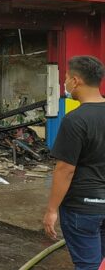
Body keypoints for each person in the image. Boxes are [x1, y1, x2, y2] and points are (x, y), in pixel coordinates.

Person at [44, 55, 105, 270]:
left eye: (67, 78)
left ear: (76, 81)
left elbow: (65, 170)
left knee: (89, 266)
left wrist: (51, 210)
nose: (65, 83)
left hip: (82, 208)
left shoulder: (75, 120)